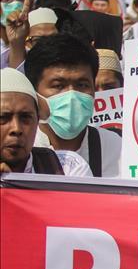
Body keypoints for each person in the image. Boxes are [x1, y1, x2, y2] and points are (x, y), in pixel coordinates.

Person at [24, 33, 122, 177]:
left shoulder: (115, 148)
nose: (72, 96)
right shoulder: (21, 150)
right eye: (58, 85)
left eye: (82, 85)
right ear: (34, 91)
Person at [0, 67, 91, 176]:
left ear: (37, 121)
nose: (16, 129)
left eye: (26, 117)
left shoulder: (68, 168)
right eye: (3, 118)